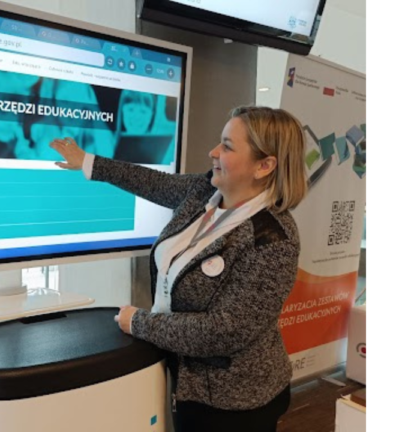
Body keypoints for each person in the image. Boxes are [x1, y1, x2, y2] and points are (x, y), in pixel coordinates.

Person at [50, 106, 308, 432]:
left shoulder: (272, 240)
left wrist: (140, 323)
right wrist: (89, 161)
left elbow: (225, 331)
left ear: (264, 165)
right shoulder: (206, 192)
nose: (213, 152)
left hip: (235, 402)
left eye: (228, 146)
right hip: (189, 381)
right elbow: (153, 183)